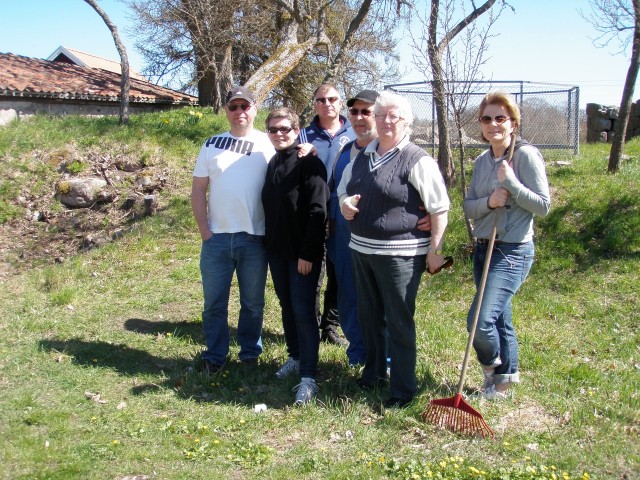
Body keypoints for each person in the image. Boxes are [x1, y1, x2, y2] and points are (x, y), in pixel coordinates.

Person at [339, 91, 450, 408]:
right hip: (361, 251)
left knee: (399, 321)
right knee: (369, 317)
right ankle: (373, 375)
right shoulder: (361, 156)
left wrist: (435, 250)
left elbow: (439, 208)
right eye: (382, 115)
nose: (387, 121)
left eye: (394, 116)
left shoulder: (417, 160)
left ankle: (402, 390)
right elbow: (344, 191)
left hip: (401, 255)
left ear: (406, 122)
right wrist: (345, 204)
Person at [328, 89, 434, 367]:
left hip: (390, 246)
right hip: (347, 240)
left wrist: (432, 219)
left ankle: (388, 362)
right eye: (355, 112)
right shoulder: (344, 152)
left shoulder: (399, 154)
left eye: (367, 112)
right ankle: (359, 356)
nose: (360, 118)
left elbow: (430, 199)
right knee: (351, 300)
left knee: (385, 307)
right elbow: (335, 192)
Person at [463, 91, 550, 399]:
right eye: (487, 118)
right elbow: (468, 208)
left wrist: (512, 184)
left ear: (513, 122)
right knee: (499, 318)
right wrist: (490, 201)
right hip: (484, 247)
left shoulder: (525, 155)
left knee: (479, 320)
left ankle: (491, 368)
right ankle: (503, 384)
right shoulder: (482, 161)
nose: (493, 124)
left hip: (512, 250)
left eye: (500, 118)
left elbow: (543, 206)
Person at [191, 85, 275, 374]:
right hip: (217, 238)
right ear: (226, 111)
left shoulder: (270, 142)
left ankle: (250, 353)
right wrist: (205, 231)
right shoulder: (211, 144)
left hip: (255, 237)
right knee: (214, 304)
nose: (240, 112)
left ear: (254, 109)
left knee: (253, 303)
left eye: (245, 106)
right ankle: (215, 355)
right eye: (233, 107)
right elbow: (198, 189)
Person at [261, 107, 329, 405]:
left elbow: (318, 212)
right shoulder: (274, 161)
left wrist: (308, 253)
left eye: (285, 129)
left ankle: (309, 377)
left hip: (303, 254)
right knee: (287, 307)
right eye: (273, 130)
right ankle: (295, 356)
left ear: (297, 130)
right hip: (277, 251)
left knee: (303, 312)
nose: (279, 134)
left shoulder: (310, 164)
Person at [299, 83, 355, 346]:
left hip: (343, 215)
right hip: (312, 215)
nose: (327, 104)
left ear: (340, 102)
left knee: (338, 271)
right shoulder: (303, 135)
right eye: (321, 100)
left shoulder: (355, 132)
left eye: (332, 98)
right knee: (312, 272)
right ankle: (309, 323)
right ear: (315, 105)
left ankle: (330, 326)